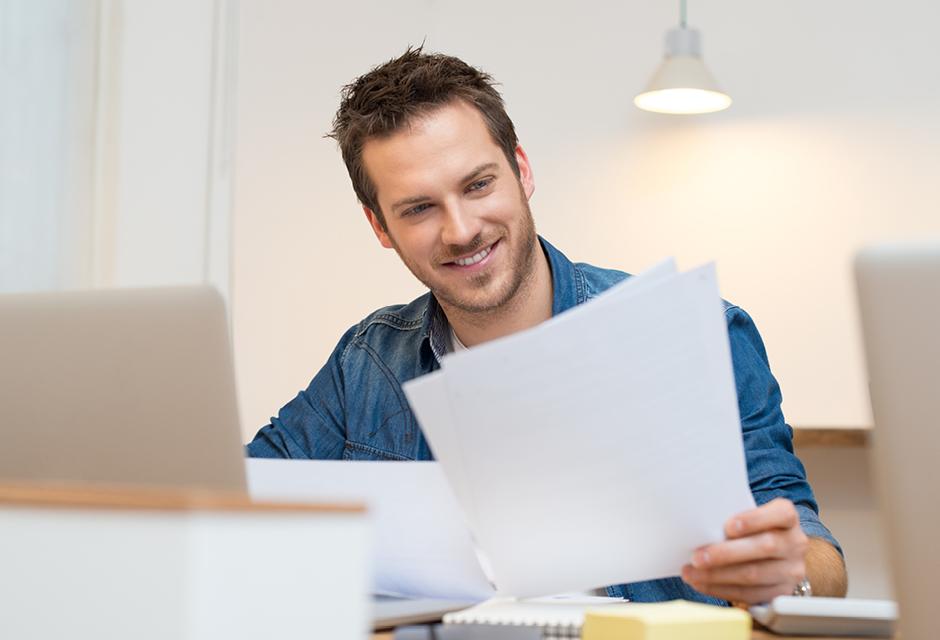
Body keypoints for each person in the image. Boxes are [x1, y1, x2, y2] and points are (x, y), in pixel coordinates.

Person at [247, 47, 848, 605]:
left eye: (478, 185)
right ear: (380, 227)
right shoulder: (367, 363)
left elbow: (822, 563)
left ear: (522, 172)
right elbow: (234, 500)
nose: (460, 229)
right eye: (419, 208)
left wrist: (788, 575)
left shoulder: (703, 334)